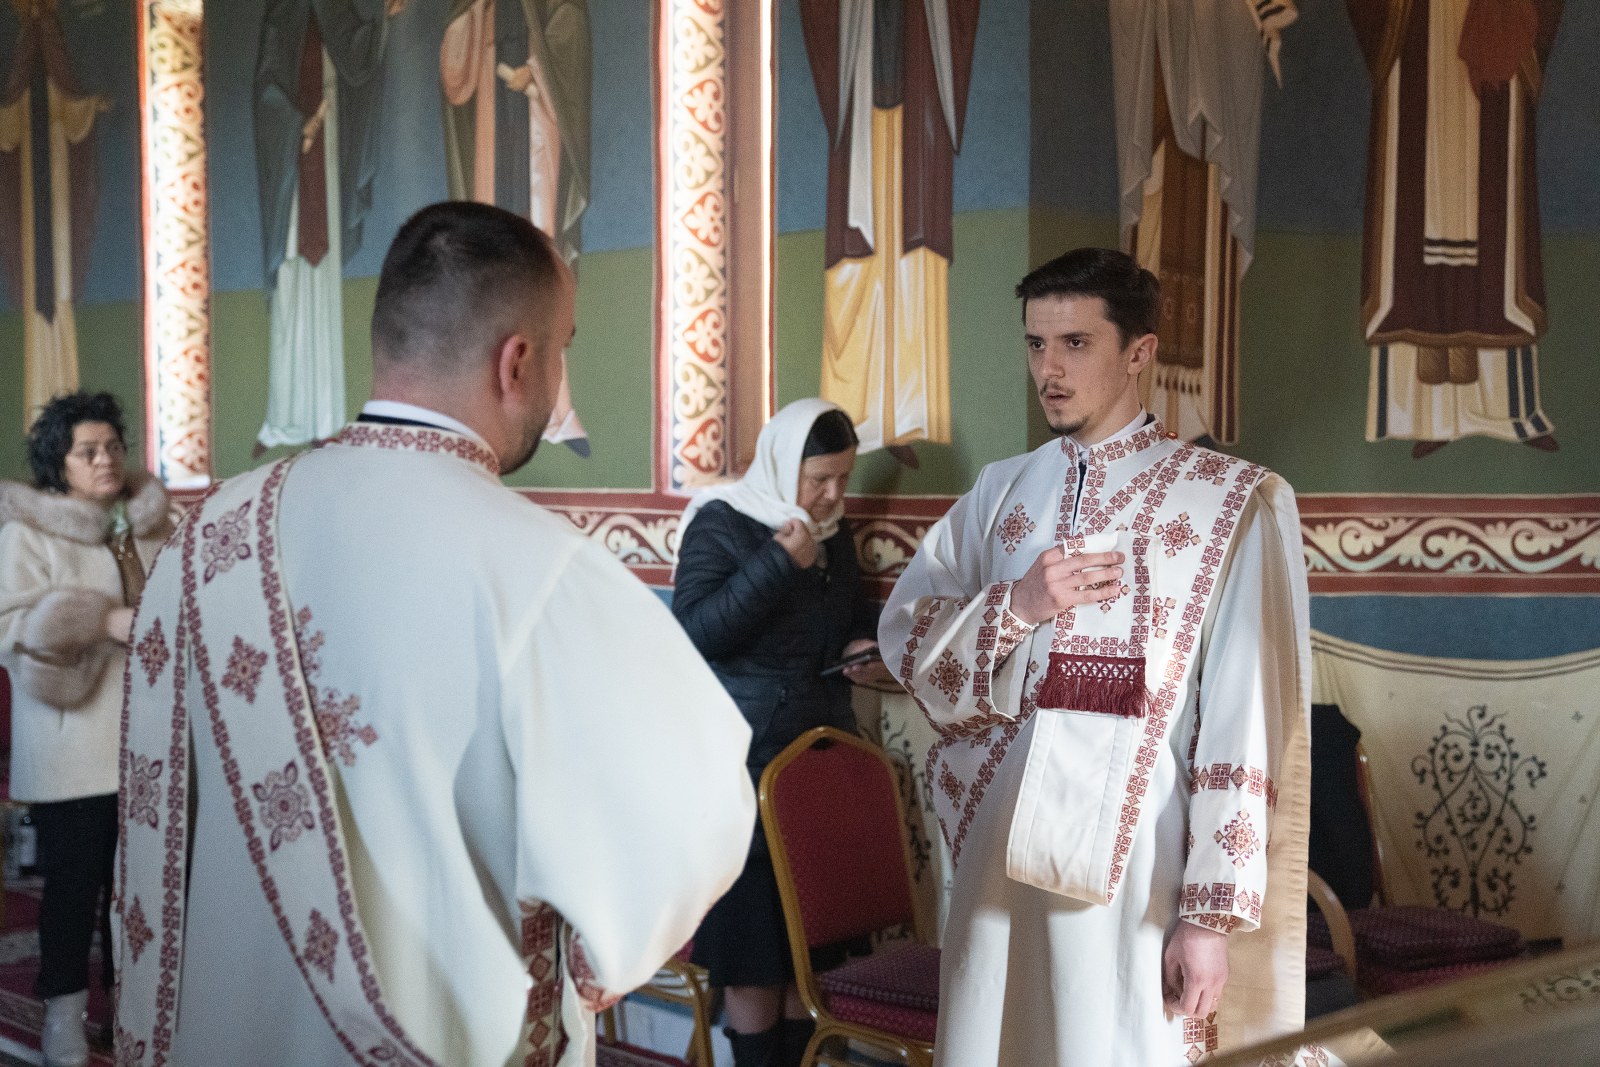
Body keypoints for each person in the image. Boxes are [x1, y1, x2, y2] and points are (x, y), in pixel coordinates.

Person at [114, 202, 756, 1067]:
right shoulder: (542, 568)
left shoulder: (208, 537)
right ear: (517, 362)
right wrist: (595, 957)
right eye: (562, 349)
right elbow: (692, 811)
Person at [880, 248, 1317, 1065]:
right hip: (1000, 867)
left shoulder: (1226, 503)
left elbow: (1243, 714)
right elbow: (909, 638)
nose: (1048, 369)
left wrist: (1209, 917)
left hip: (1140, 879)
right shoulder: (1000, 492)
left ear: (1139, 351)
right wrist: (1016, 606)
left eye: (1075, 343)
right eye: (1036, 344)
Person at [672, 398, 897, 1067]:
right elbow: (695, 633)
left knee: (811, 959)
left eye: (843, 478)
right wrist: (776, 561)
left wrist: (860, 643)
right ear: (780, 463)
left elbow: (846, 613)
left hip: (819, 763)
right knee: (755, 959)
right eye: (819, 478)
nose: (833, 494)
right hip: (745, 771)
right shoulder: (722, 520)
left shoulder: (832, 530)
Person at [0, 391, 171, 1067]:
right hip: (72, 744)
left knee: (140, 885)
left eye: (114, 446)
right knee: (74, 886)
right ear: (59, 462)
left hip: (150, 740)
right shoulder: (27, 533)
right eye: (87, 450)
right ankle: (63, 1016)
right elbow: (7, 626)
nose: (106, 460)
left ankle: (133, 1005)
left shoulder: (151, 523)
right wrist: (97, 621)